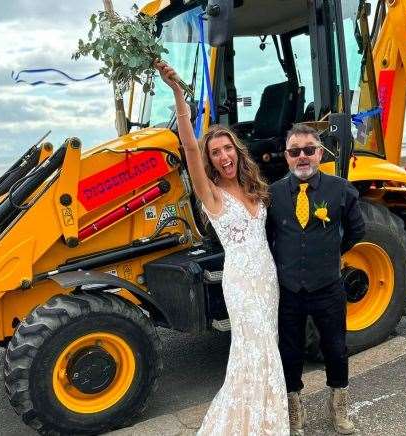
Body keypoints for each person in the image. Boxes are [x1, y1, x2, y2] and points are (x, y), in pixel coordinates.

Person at [155, 60, 289, 435]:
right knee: (252, 350)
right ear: (210, 160)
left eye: (227, 149)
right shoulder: (211, 194)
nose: (224, 157)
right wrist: (179, 95)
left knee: (268, 348)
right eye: (216, 153)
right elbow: (189, 149)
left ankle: (265, 420)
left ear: (237, 151)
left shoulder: (252, 187)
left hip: (267, 280)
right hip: (242, 284)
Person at [266, 124, 365, 435]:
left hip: (328, 288)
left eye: (309, 149)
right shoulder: (274, 195)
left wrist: (330, 254)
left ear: (320, 153)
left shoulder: (341, 190)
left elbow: (355, 232)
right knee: (290, 352)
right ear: (287, 157)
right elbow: (270, 238)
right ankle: (295, 410)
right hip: (289, 291)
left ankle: (339, 407)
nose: (303, 156)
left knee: (336, 349)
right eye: (295, 151)